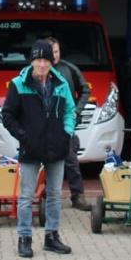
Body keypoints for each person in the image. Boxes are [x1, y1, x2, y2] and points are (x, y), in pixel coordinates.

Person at [1, 39, 75, 258]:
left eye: (46, 60)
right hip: (31, 148)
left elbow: (71, 110)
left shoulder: (61, 85)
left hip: (57, 147)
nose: (42, 64)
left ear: (51, 62)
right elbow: (8, 116)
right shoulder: (18, 84)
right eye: (38, 60)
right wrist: (24, 137)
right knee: (26, 196)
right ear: (32, 61)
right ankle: (24, 238)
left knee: (53, 194)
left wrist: (66, 133)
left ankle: (52, 237)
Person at [49, 36, 90, 210]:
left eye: (56, 51)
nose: (54, 55)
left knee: (71, 161)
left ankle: (78, 197)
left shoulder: (69, 69)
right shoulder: (37, 70)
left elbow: (85, 90)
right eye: (51, 52)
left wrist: (77, 111)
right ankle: (45, 196)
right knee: (45, 161)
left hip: (66, 122)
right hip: (45, 124)